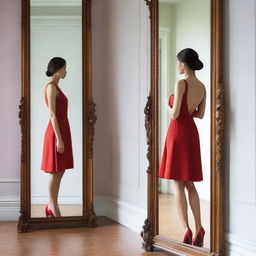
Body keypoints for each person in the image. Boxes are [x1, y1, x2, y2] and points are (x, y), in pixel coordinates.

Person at [158, 48, 206, 247]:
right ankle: (200, 227)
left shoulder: (181, 83)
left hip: (177, 133)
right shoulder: (202, 86)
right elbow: (201, 114)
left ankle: (186, 229)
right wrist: (188, 113)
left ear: (183, 64)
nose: (177, 66)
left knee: (178, 184)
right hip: (191, 134)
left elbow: (175, 114)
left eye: (178, 63)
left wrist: (165, 104)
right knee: (190, 184)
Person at [41, 57, 74, 218]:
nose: (66, 71)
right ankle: (52, 206)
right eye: (64, 68)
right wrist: (59, 139)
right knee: (55, 171)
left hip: (62, 130)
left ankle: (51, 205)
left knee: (59, 171)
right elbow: (53, 114)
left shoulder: (56, 87)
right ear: (57, 69)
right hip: (56, 132)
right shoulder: (51, 87)